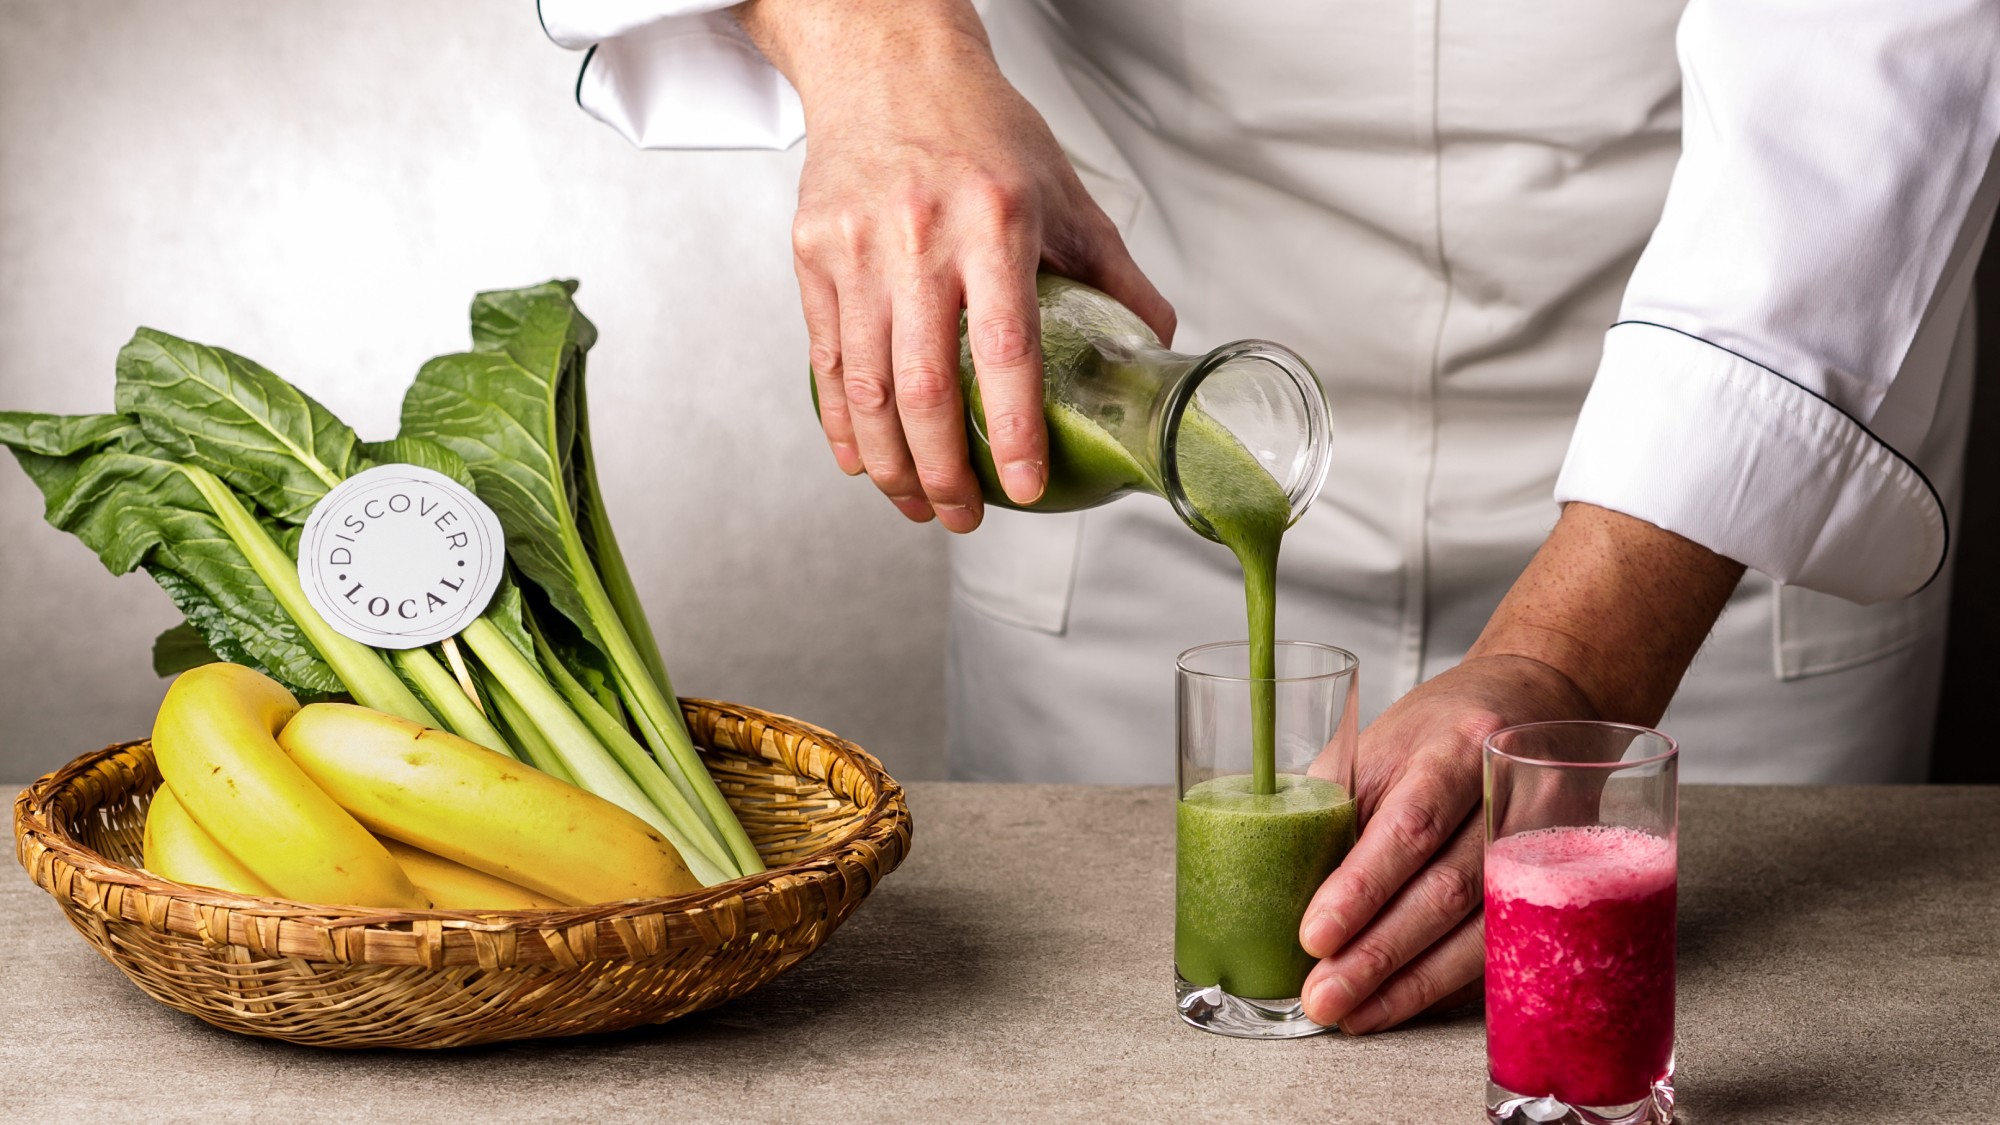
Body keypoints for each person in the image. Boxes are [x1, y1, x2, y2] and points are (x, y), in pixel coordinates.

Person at [538, 0, 2000, 1031]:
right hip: (1140, 405)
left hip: (1715, 496)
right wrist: (880, 47)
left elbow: (1877, 54)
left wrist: (1577, 666)